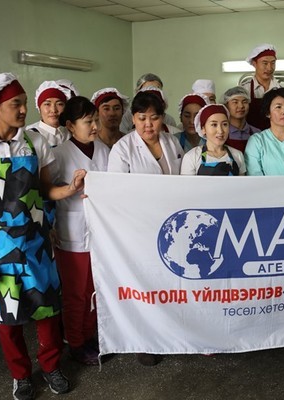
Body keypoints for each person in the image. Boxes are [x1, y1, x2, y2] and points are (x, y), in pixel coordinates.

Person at [0, 73, 85, 399]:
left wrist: (70, 189)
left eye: (24, 103)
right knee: (7, 318)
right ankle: (20, 375)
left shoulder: (35, 143)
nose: (23, 110)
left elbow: (46, 190)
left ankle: (51, 366)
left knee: (48, 311)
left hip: (36, 245)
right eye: (16, 103)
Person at [107, 90, 182, 366]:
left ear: (162, 118)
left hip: (170, 225)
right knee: (143, 285)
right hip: (138, 227)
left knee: (168, 284)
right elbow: (116, 192)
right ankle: (143, 341)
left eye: (154, 117)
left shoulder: (171, 142)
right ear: (133, 119)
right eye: (142, 118)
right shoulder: (123, 149)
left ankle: (170, 335)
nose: (148, 124)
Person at [53, 96, 109, 366]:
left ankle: (90, 336)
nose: (95, 126)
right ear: (70, 126)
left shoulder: (104, 150)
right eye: (88, 122)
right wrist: (72, 188)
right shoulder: (59, 154)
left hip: (100, 233)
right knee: (75, 293)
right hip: (72, 233)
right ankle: (75, 343)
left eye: (96, 120)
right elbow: (48, 191)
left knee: (94, 290)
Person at [180, 104, 246, 176]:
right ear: (203, 129)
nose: (220, 131)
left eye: (224, 124)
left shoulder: (237, 155)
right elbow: (187, 183)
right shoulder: (192, 157)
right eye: (214, 125)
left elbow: (242, 183)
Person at [25, 81, 72, 147]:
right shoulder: (30, 135)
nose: (53, 110)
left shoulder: (70, 132)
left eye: (59, 104)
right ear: (39, 108)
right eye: (47, 104)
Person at [244, 44, 280, 130]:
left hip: (276, 135)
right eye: (265, 63)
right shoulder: (245, 90)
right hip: (251, 135)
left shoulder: (281, 90)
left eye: (273, 63)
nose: (269, 68)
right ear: (254, 64)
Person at [222, 86, 260, 152]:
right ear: (226, 106)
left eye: (245, 102)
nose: (241, 106)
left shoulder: (257, 133)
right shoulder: (221, 132)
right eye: (235, 102)